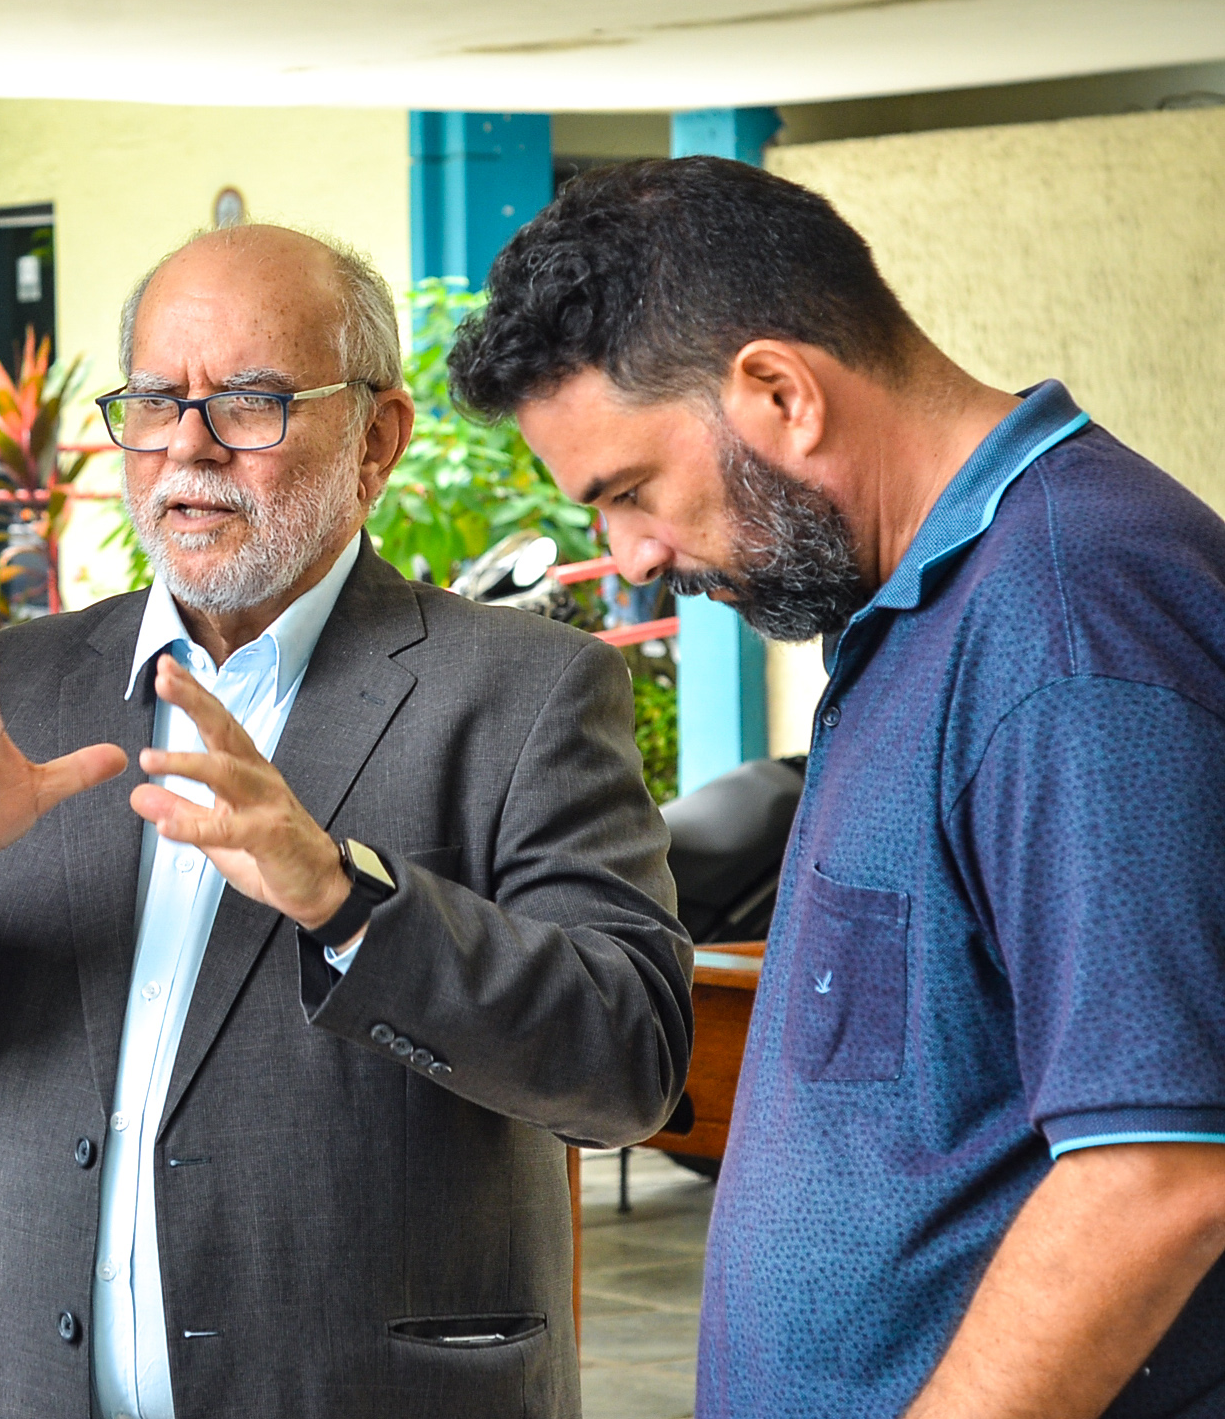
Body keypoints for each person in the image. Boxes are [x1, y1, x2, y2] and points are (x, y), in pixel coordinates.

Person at [0, 224, 692, 1419]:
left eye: (250, 400)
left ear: (377, 439)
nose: (188, 448)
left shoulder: (521, 693)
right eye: (156, 399)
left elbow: (629, 1065)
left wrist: (345, 896)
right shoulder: (14, 688)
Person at [450, 156, 1225, 1419]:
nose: (632, 557)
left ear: (778, 391)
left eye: (631, 493)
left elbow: (1160, 1171)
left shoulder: (1075, 619)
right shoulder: (923, 604)